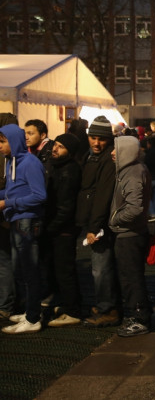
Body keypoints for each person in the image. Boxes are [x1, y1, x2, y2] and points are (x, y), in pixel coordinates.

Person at [0, 124, 47, 334]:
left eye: (2, 141)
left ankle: (33, 317)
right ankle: (31, 311)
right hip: (18, 220)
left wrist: (8, 203)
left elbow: (39, 195)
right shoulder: (12, 161)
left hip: (27, 222)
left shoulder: (29, 163)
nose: (0, 146)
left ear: (13, 141)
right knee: (22, 270)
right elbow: (14, 190)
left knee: (30, 271)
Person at [77, 116, 120, 328]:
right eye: (93, 138)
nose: (96, 143)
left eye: (101, 139)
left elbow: (102, 196)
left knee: (101, 269)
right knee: (100, 268)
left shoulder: (107, 161)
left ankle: (108, 309)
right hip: (94, 222)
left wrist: (94, 227)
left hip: (101, 226)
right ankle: (105, 305)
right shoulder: (92, 158)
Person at [109, 135, 152, 337]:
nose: (112, 153)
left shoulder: (132, 172)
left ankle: (139, 318)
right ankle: (138, 313)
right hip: (131, 232)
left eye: (116, 149)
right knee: (131, 276)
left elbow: (135, 207)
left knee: (131, 277)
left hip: (130, 234)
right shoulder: (130, 170)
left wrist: (115, 219)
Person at [45, 134, 83, 327]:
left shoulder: (69, 170)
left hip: (64, 229)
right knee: (59, 269)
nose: (55, 149)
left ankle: (73, 310)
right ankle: (68, 305)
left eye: (60, 146)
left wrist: (51, 227)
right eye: (55, 145)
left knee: (64, 270)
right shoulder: (58, 166)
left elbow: (66, 206)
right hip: (58, 226)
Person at [0, 113, 18, 320]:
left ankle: (6, 303)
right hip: (8, 216)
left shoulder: (16, 159)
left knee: (6, 261)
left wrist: (6, 200)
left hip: (7, 216)